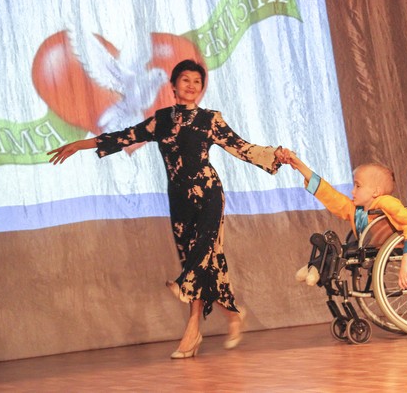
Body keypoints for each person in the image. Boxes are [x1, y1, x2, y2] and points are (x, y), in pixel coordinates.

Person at [47, 59, 288, 359]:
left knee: (201, 253)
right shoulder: (161, 120)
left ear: (202, 88)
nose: (191, 85)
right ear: (173, 86)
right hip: (179, 199)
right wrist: (78, 146)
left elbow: (242, 148)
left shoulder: (210, 119)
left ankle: (191, 327)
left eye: (197, 81)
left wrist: (276, 154)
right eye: (185, 80)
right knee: (206, 261)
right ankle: (232, 315)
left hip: (208, 193)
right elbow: (124, 137)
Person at [283, 151, 407, 290]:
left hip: (397, 246)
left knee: (338, 251)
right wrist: (299, 166)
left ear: (375, 192)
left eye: (358, 186)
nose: (353, 191)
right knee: (335, 250)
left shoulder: (387, 202)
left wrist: (406, 262)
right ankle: (314, 266)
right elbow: (330, 195)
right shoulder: (357, 210)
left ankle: (314, 268)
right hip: (367, 246)